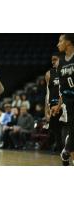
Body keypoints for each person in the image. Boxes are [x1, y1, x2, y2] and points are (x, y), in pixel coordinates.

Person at [52, 34, 74, 165]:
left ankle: (66, 151)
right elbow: (61, 87)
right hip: (69, 99)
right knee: (72, 128)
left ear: (69, 42)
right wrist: (59, 105)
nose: (58, 44)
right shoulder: (60, 62)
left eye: (60, 41)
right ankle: (67, 151)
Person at [45, 53, 63, 152]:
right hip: (53, 106)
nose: (53, 62)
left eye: (55, 59)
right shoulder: (49, 74)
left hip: (63, 105)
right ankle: (61, 151)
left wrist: (60, 105)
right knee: (55, 130)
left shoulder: (66, 72)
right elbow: (47, 92)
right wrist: (46, 109)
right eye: (52, 60)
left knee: (66, 129)